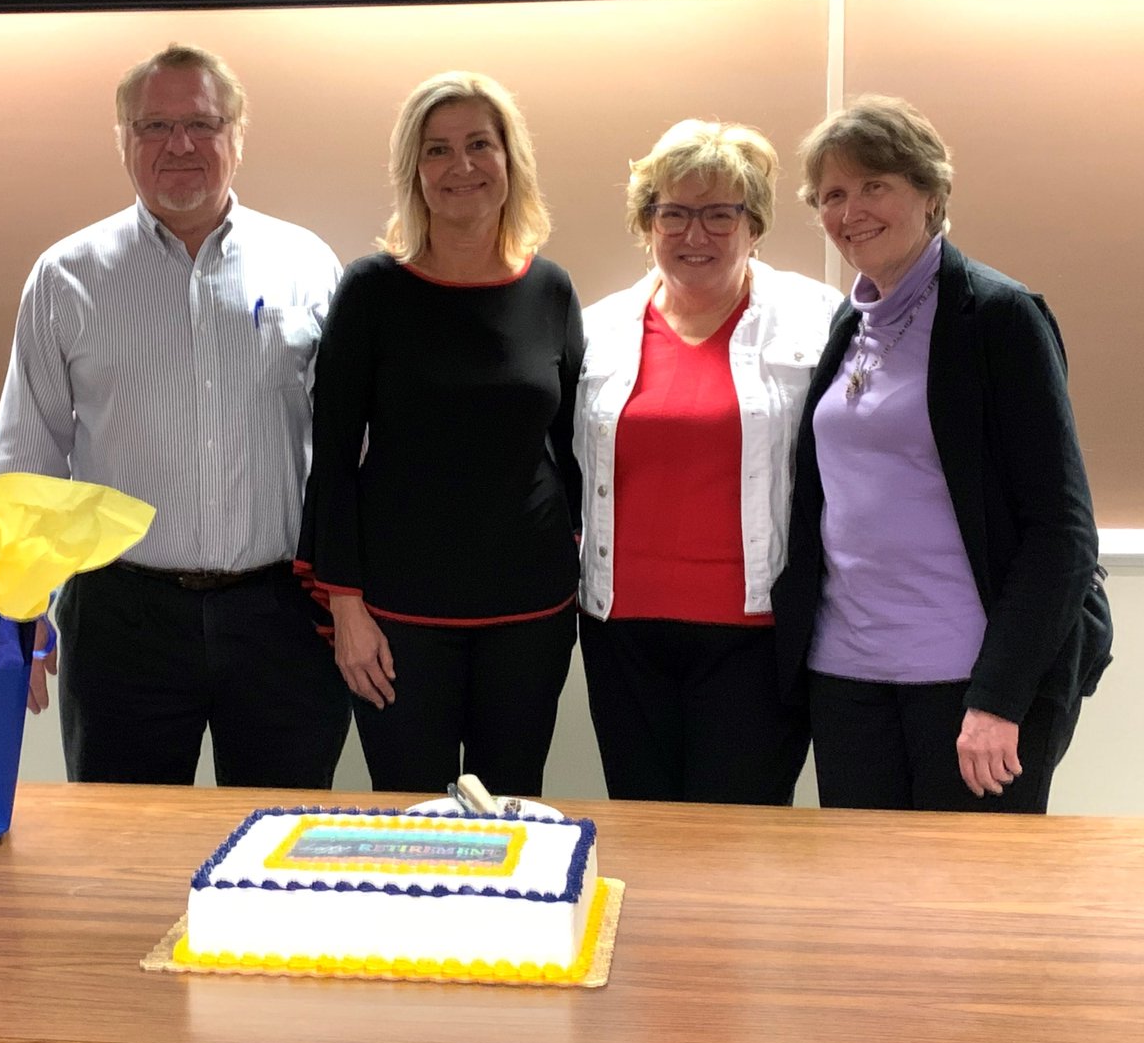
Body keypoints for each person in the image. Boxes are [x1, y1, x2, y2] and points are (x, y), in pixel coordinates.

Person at [0, 43, 352, 788]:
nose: (179, 145)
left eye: (202, 124)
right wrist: (14, 613)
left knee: (278, 848)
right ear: (122, 139)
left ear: (237, 137)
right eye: (154, 126)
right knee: (122, 854)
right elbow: (29, 453)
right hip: (124, 619)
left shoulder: (307, 264)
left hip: (281, 614)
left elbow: (349, 447)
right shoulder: (66, 277)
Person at [772, 94, 1108, 813]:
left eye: (874, 186)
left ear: (929, 193)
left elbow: (1063, 532)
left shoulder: (997, 318)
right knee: (865, 909)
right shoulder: (848, 324)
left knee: (965, 915)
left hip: (968, 691)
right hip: (848, 679)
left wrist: (999, 698)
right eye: (832, 194)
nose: (850, 210)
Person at [297, 71, 582, 796]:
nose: (461, 167)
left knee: (510, 818)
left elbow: (576, 451)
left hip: (530, 611)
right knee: (413, 820)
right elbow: (330, 458)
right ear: (413, 172)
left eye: (480, 145)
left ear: (510, 161)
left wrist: (580, 555)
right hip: (397, 616)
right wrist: (346, 608)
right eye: (437, 150)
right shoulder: (371, 291)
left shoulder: (550, 289)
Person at [574, 119, 839, 804]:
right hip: (622, 632)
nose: (695, 236)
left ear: (755, 225)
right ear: (646, 222)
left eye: (720, 214)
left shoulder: (817, 319)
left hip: (755, 635)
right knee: (646, 829)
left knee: (740, 840)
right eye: (675, 214)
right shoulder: (598, 329)